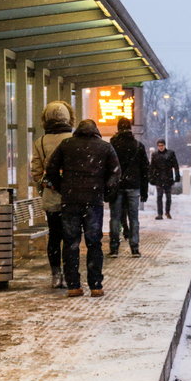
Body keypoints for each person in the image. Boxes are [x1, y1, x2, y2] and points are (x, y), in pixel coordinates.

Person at [44, 119, 120, 298]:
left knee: (71, 243)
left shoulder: (67, 145)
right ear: (96, 131)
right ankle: (95, 286)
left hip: (70, 201)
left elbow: (51, 168)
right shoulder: (104, 147)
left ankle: (73, 285)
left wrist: (62, 187)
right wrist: (105, 192)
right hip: (93, 202)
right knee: (94, 243)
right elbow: (115, 172)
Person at [30, 101, 75, 289]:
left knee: (55, 237)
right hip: (73, 198)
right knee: (71, 237)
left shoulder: (40, 142)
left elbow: (36, 171)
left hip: (52, 197)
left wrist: (46, 188)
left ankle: (56, 273)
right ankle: (70, 271)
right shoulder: (73, 139)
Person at [108, 117, 149, 258]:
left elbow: (107, 168)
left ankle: (114, 248)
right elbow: (145, 170)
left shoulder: (112, 144)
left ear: (118, 128)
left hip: (117, 186)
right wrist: (144, 191)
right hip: (134, 186)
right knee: (134, 218)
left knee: (115, 217)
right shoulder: (138, 146)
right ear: (130, 128)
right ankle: (135, 248)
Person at [149, 138, 180, 220]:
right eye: (159, 146)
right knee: (159, 197)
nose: (160, 147)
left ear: (164, 145)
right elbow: (152, 167)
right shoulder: (155, 154)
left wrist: (177, 176)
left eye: (162, 145)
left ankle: (167, 212)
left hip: (168, 178)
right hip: (158, 178)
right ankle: (160, 214)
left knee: (168, 197)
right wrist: (151, 177)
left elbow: (175, 165)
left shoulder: (170, 153)